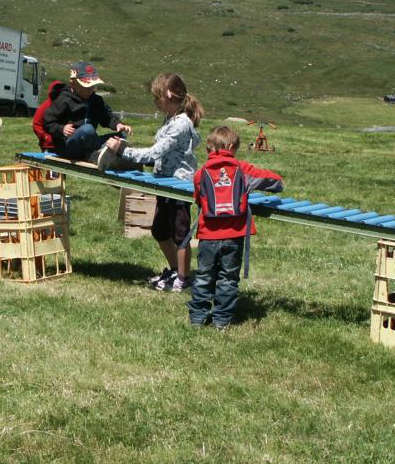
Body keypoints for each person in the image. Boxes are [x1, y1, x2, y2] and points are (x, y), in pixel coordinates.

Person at [100, 73, 204, 292]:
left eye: (157, 97)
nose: (155, 102)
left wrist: (123, 151)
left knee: (180, 234)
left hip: (178, 186)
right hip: (165, 183)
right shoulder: (170, 119)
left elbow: (154, 153)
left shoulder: (181, 124)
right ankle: (175, 270)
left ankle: (184, 278)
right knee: (160, 230)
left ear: (168, 95)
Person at [187, 125, 284, 330]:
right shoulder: (243, 169)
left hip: (207, 236)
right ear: (232, 147)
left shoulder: (200, 173)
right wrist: (279, 186)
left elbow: (198, 200)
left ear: (209, 148)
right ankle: (221, 321)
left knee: (204, 277)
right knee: (228, 279)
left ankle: (197, 318)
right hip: (234, 236)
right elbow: (274, 181)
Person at [42, 62, 132, 161]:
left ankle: (104, 154)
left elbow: (106, 117)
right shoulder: (64, 100)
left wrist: (118, 124)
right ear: (73, 84)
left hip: (89, 142)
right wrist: (61, 129)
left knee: (120, 136)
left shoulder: (96, 100)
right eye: (86, 86)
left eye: (92, 86)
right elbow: (48, 122)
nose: (90, 90)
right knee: (87, 129)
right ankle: (97, 155)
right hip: (68, 146)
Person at [32, 80, 64, 151]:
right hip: (48, 145)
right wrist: (45, 137)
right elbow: (36, 125)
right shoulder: (43, 107)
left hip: (63, 145)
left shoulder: (64, 105)